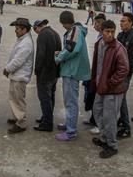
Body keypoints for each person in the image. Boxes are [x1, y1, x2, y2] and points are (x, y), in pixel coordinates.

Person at [90, 20, 129, 159]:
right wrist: (95, 80)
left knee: (110, 118)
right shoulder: (99, 44)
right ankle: (104, 138)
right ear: (102, 31)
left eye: (113, 31)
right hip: (101, 87)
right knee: (97, 111)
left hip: (113, 90)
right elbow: (97, 64)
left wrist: (110, 83)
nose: (110, 34)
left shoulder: (118, 48)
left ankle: (112, 145)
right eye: (107, 31)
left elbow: (124, 69)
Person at [54, 10, 90, 141]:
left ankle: (71, 132)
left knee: (71, 101)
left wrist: (58, 57)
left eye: (63, 23)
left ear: (66, 22)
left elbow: (71, 49)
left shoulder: (75, 31)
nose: (63, 26)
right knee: (69, 100)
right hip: (71, 69)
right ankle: (69, 124)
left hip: (71, 71)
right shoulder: (75, 31)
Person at [4, 18, 35, 134]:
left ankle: (21, 122)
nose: (15, 31)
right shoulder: (22, 39)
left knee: (18, 99)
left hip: (20, 76)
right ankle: (17, 117)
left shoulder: (26, 43)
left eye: (17, 29)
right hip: (17, 75)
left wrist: (7, 69)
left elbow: (18, 60)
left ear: (24, 29)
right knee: (14, 98)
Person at [33, 19, 62, 132]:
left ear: (37, 27)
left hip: (45, 73)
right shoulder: (55, 33)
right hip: (54, 72)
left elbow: (40, 55)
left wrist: (37, 70)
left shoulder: (42, 35)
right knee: (51, 97)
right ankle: (46, 117)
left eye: (35, 30)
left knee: (44, 98)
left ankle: (47, 123)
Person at [116, 12, 133, 138]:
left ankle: (127, 128)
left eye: (124, 21)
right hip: (118, 71)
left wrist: (125, 71)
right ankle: (122, 120)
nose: (121, 23)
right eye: (121, 21)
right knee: (120, 97)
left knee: (121, 99)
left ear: (131, 23)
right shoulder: (121, 35)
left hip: (125, 72)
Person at [84, 13, 106, 133]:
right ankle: (93, 119)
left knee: (99, 100)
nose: (94, 25)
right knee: (92, 98)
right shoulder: (99, 36)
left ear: (101, 23)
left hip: (100, 74)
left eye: (97, 23)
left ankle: (99, 124)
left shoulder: (104, 38)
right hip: (95, 72)